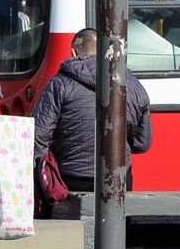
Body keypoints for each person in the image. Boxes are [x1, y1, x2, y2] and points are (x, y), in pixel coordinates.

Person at [33, 27, 153, 193]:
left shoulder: (58, 84)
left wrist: (42, 169)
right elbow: (142, 143)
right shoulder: (132, 84)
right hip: (118, 179)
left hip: (69, 178)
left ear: (73, 52)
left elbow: (38, 135)